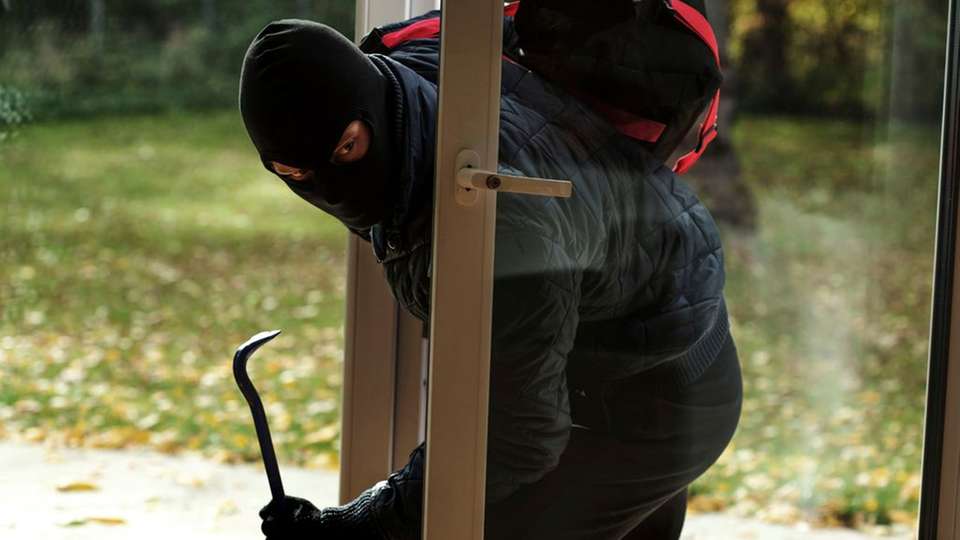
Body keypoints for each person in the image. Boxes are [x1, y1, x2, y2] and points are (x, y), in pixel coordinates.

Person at [239, 4, 741, 539]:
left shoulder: (489, 213)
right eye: (294, 173)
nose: (329, 187)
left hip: (655, 403)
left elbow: (514, 435)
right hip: (609, 359)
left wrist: (355, 524)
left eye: (347, 149)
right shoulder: (417, 76)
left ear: (372, 102)